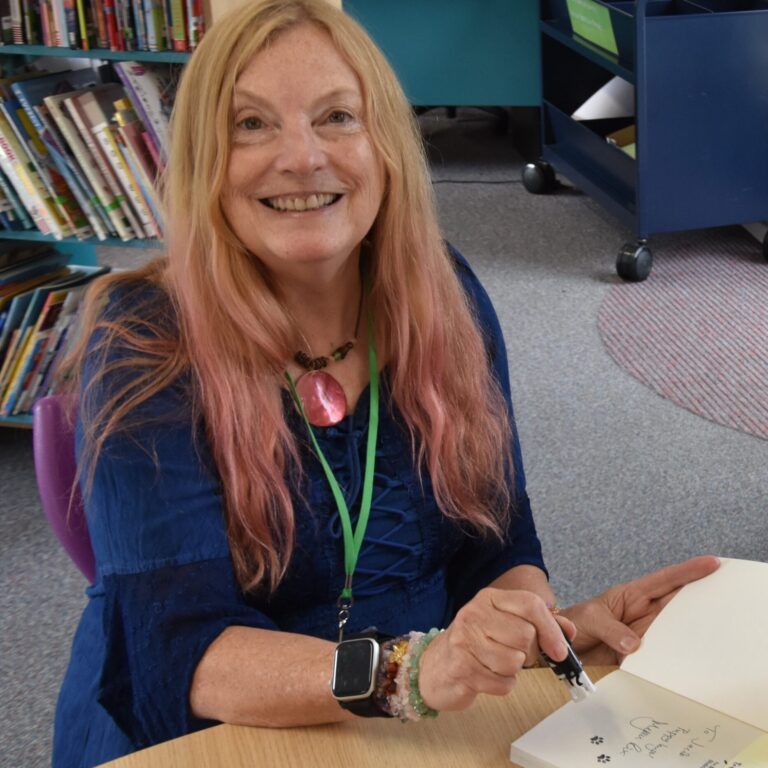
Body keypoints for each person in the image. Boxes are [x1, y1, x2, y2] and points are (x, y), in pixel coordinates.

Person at [52, 1, 719, 766]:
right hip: (216, 735)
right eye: (251, 124)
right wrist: (412, 672)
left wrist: (540, 631)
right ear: (205, 159)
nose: (302, 157)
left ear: (387, 145)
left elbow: (496, 542)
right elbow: (179, 652)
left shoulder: (447, 294)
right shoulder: (145, 339)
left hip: (408, 727)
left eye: (337, 116)